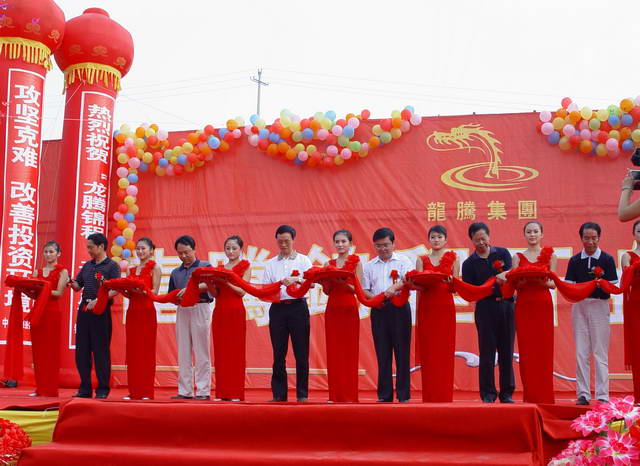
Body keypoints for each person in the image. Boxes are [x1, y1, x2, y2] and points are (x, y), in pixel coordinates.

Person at [461, 222, 515, 403]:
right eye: (477, 240)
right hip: (485, 308)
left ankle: (507, 393)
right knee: (487, 352)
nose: (481, 243)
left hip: (506, 306)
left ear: (489, 237)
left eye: (483, 238)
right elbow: (470, 290)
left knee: (506, 350)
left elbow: (511, 274)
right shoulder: (469, 263)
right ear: (472, 241)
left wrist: (505, 275)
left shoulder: (502, 253)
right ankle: (488, 394)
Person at [565, 222, 618, 405]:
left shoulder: (607, 259)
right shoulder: (574, 261)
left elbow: (613, 286)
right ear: (581, 238)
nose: (590, 242)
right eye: (586, 238)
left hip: (599, 305)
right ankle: (583, 394)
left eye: (594, 238)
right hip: (580, 306)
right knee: (581, 352)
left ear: (599, 238)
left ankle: (602, 395)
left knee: (600, 352)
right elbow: (570, 286)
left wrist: (599, 285)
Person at [362, 227, 413, 403]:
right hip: (379, 309)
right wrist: (377, 298)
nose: (383, 249)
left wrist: (393, 288)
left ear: (393, 244)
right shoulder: (369, 265)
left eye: (386, 245)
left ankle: (403, 394)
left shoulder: (403, 261)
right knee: (382, 353)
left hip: (400, 308)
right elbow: (365, 289)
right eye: (378, 246)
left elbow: (408, 280)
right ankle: (384, 395)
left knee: (402, 351)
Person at [263, 225, 312, 402]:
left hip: (298, 308)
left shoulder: (304, 260)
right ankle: (279, 394)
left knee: (301, 352)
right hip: (278, 309)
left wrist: (296, 279)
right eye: (280, 241)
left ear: (293, 240)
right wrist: (277, 285)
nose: (283, 244)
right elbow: (266, 287)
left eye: (286, 241)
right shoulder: (270, 263)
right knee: (278, 353)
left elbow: (313, 282)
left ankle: (302, 394)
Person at [510, 221, 558, 404]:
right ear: (524, 235)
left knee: (543, 350)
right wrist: (523, 280)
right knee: (527, 350)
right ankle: (530, 396)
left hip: (542, 304)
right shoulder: (517, 257)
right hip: (524, 305)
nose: (532, 235)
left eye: (535, 231)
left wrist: (540, 280)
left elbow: (553, 283)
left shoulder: (550, 255)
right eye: (529, 232)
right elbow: (514, 284)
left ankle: (545, 397)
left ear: (542, 234)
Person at [68, 233, 120, 399]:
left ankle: (102, 389)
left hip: (101, 311)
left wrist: (99, 300)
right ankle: (85, 388)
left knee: (100, 351)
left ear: (101, 246)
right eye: (87, 247)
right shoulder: (87, 266)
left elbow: (116, 289)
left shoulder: (112, 266)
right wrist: (71, 282)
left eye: (91, 247)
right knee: (82, 351)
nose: (88, 250)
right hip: (85, 310)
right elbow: (78, 286)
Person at [413, 225, 460, 403]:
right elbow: (418, 285)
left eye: (440, 237)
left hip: (445, 308)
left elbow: (455, 288)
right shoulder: (422, 259)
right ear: (429, 239)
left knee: (444, 351)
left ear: (445, 239)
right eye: (433, 237)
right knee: (429, 351)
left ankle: (444, 394)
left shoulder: (454, 259)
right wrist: (414, 283)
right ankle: (430, 394)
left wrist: (450, 282)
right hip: (427, 308)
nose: (436, 240)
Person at [168, 235, 214, 401]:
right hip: (182, 310)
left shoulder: (205, 267)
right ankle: (185, 390)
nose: (183, 256)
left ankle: (203, 391)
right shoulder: (175, 272)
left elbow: (211, 284)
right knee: (183, 351)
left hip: (200, 307)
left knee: (202, 351)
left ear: (194, 249)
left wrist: (191, 289)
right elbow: (171, 294)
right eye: (180, 253)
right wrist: (175, 298)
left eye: (186, 252)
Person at [320, 229, 363, 403]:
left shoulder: (356, 262)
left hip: (349, 308)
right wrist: (324, 281)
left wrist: (342, 282)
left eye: (343, 241)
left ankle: (349, 395)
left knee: (349, 351)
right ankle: (335, 394)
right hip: (333, 308)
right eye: (337, 242)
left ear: (350, 243)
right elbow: (327, 291)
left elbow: (358, 289)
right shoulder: (328, 264)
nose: (340, 245)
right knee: (334, 351)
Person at [210, 235, 251, 401]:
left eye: (234, 248)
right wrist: (211, 283)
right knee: (221, 352)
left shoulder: (245, 266)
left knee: (235, 352)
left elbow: (242, 291)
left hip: (235, 311)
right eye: (228, 248)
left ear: (241, 249)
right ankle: (222, 392)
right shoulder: (219, 269)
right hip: (220, 312)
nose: (231, 251)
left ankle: (235, 393)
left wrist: (226, 282)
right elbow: (215, 294)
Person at [122, 238, 161, 400]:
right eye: (138, 248)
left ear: (151, 250)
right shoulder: (131, 269)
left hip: (146, 312)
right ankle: (134, 391)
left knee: (146, 351)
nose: (140, 251)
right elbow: (128, 294)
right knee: (133, 351)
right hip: (132, 312)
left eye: (143, 248)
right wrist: (123, 289)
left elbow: (155, 293)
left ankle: (146, 392)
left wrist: (141, 290)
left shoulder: (155, 268)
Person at [30, 241, 69, 397]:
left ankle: (50, 388)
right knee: (38, 350)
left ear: (58, 253)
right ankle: (40, 388)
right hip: (38, 312)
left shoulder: (63, 272)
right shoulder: (37, 272)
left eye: (51, 251)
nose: (48, 254)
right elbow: (34, 294)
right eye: (46, 251)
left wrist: (43, 288)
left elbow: (58, 293)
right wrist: (24, 288)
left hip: (52, 313)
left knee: (50, 351)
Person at [620, 220, 640, 402]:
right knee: (638, 348)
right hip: (636, 304)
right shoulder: (628, 256)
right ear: (634, 234)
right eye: (639, 231)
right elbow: (625, 280)